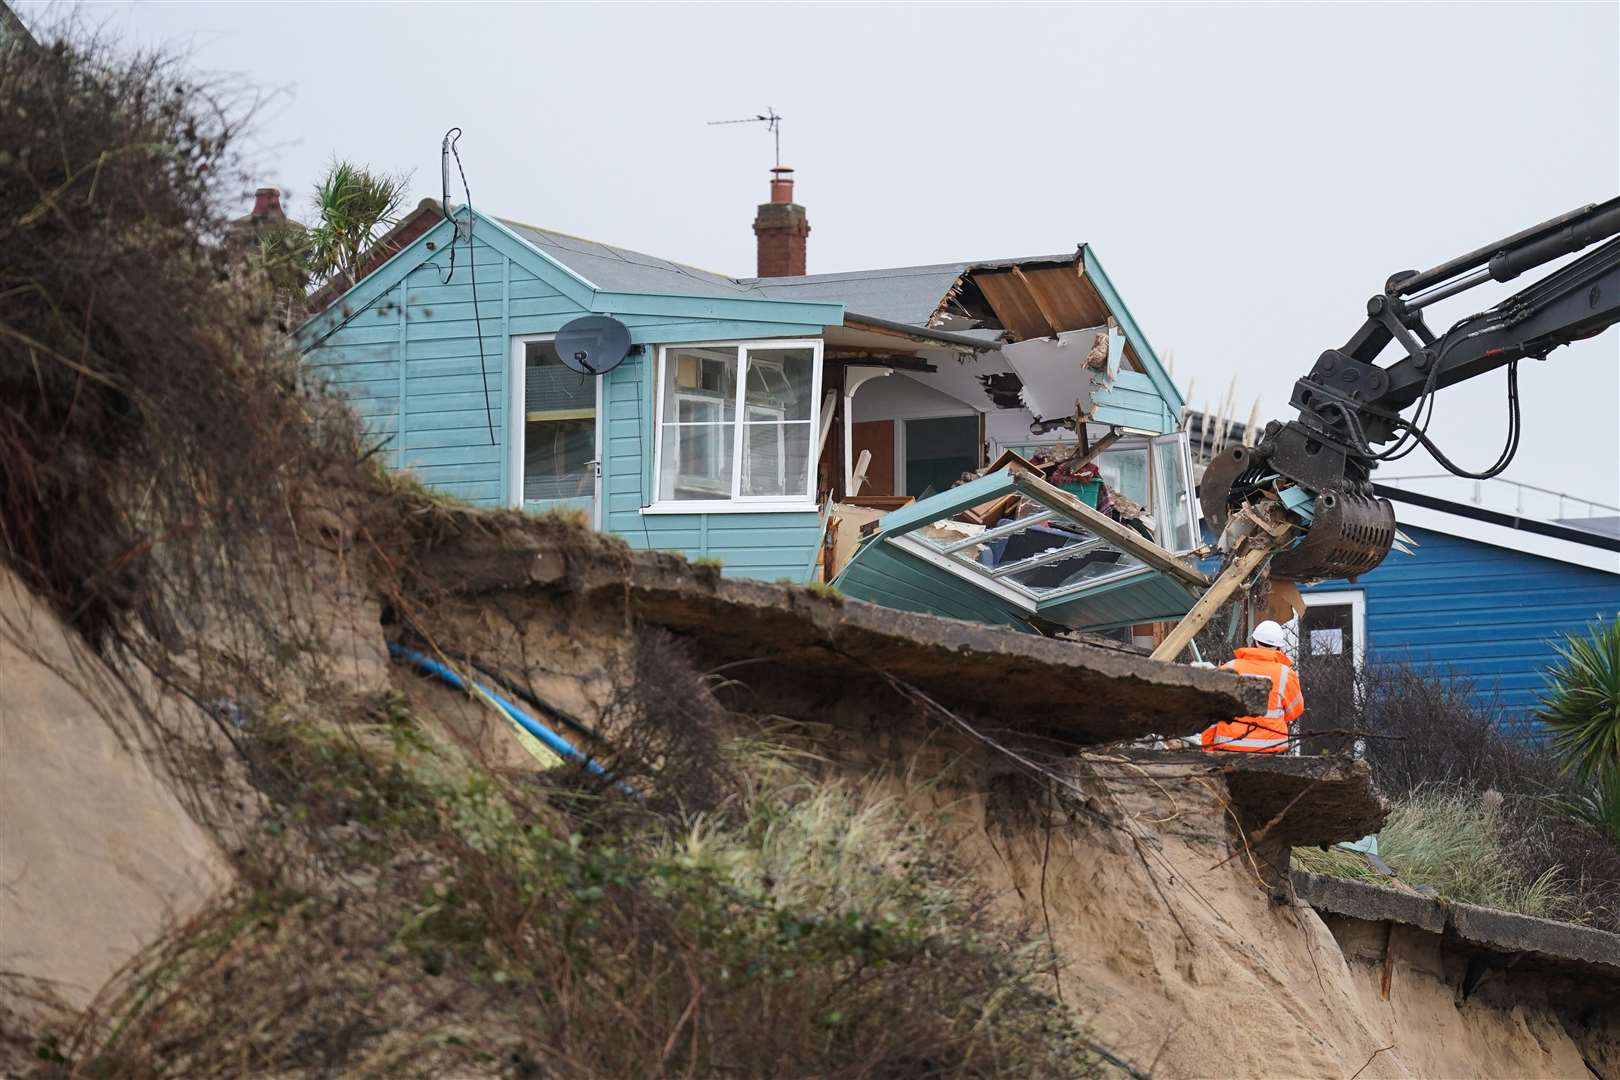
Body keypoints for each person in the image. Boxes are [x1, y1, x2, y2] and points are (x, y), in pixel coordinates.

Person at [1201, 620, 1304, 753]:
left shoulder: (1229, 668)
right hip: (1271, 751)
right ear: (1279, 647)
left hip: (1229, 750)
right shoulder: (1285, 674)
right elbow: (1294, 711)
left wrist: (1207, 748)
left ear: (1254, 642)